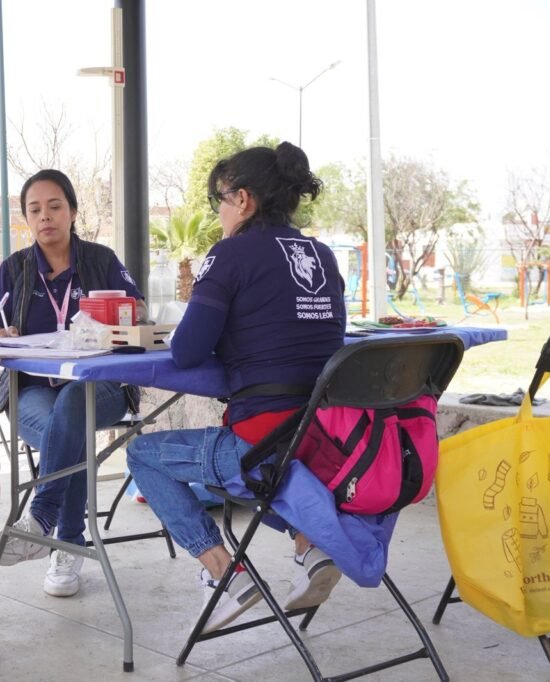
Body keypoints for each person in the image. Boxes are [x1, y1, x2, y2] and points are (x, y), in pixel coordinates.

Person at [126, 142, 347, 633]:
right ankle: (311, 550)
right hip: (327, 442)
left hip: (262, 446)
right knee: (276, 469)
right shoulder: (324, 256)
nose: (219, 213)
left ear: (242, 199)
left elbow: (185, 351)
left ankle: (227, 577)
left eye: (219, 201)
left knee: (143, 455)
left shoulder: (229, 256)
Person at [0, 169, 146, 598]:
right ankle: (70, 542)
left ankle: (40, 517)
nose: (45, 217)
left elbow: (140, 310)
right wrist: (0, 333)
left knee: (76, 403)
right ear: (26, 218)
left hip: (103, 386)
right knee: (69, 429)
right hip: (32, 389)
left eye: (55, 206)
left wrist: (118, 319)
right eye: (34, 210)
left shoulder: (101, 260)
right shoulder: (13, 270)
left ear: (73, 212)